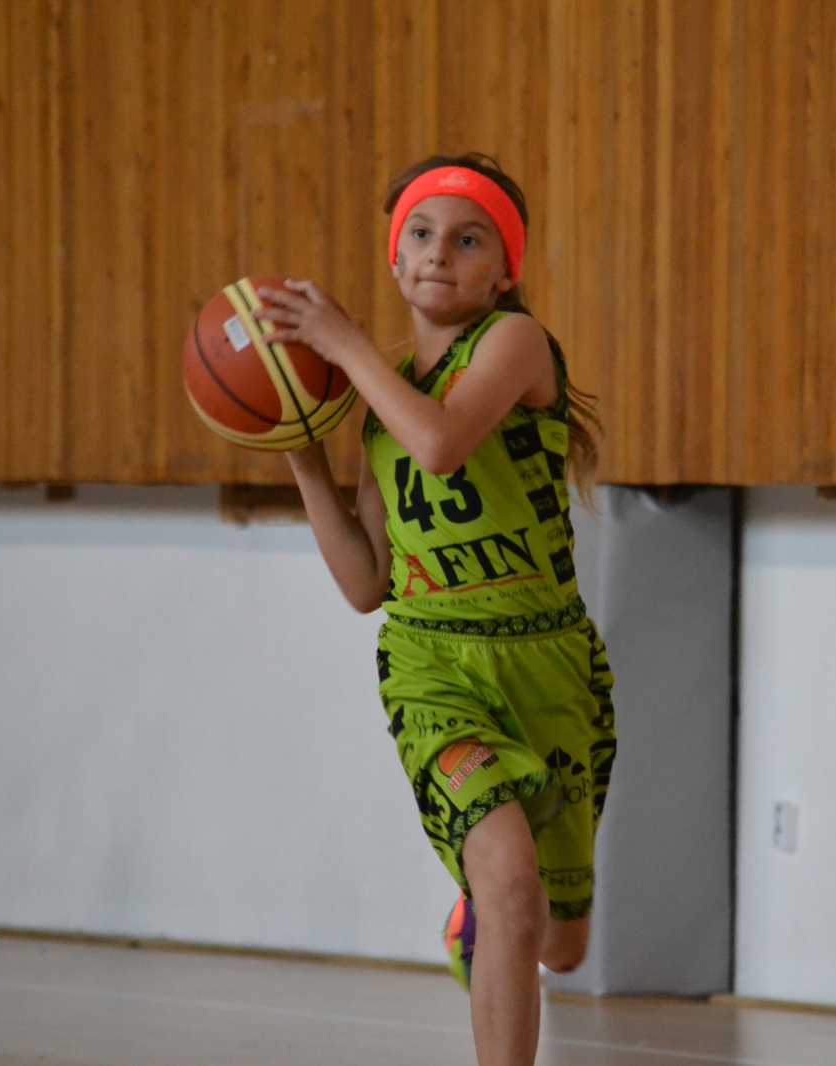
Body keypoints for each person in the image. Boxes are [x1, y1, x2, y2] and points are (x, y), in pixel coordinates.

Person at [257, 154, 616, 1066]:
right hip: (433, 669)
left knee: (560, 944)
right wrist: (301, 454)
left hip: (547, 663)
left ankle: (476, 924)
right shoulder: (379, 402)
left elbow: (444, 443)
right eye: (420, 233)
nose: (438, 254)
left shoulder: (515, 342)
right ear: (394, 255)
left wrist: (342, 347)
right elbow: (364, 584)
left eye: (467, 240)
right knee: (513, 891)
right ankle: (491, 913)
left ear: (505, 271)